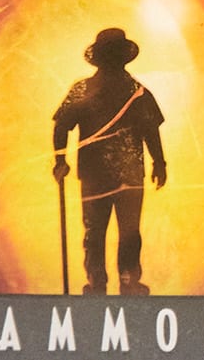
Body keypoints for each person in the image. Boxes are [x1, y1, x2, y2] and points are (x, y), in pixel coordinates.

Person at [52, 27, 167, 296]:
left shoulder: (92, 90)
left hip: (104, 175)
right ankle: (118, 282)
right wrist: (159, 163)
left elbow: (61, 127)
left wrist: (60, 160)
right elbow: (151, 131)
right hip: (120, 176)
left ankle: (105, 283)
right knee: (118, 232)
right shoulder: (136, 91)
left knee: (105, 233)